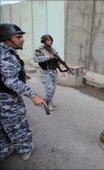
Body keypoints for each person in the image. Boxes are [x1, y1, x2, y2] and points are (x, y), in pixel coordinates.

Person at [0, 23, 46, 161]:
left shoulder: (6, 51)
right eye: (18, 37)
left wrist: (22, 75)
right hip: (6, 98)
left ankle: (5, 148)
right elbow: (10, 81)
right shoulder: (4, 55)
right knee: (16, 126)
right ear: (6, 38)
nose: (22, 39)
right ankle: (25, 150)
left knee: (3, 127)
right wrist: (33, 96)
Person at [33, 34, 60, 111]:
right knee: (50, 89)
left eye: (51, 40)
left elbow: (57, 60)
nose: (50, 41)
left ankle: (49, 100)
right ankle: (47, 102)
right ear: (43, 41)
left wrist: (62, 69)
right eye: (48, 40)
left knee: (53, 89)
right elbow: (35, 59)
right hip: (45, 72)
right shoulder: (40, 50)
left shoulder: (53, 49)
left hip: (54, 72)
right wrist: (48, 57)